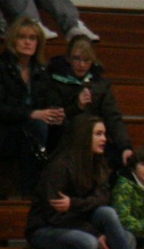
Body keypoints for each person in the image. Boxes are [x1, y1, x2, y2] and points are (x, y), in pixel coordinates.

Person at [26, 113, 144, 249]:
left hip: (79, 220)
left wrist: (73, 204)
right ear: (84, 136)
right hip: (46, 226)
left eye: (104, 134)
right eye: (98, 134)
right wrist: (94, 232)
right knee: (88, 243)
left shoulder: (99, 164)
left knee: (119, 226)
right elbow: (54, 215)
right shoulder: (59, 167)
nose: (104, 139)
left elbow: (103, 199)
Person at [0, 16, 61, 192]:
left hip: (29, 130)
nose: (27, 42)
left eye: (32, 38)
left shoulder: (40, 70)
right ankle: (30, 191)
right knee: (37, 127)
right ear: (13, 40)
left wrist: (56, 113)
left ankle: (60, 190)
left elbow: (51, 99)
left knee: (65, 127)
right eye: (22, 37)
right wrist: (31, 114)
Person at [44, 35, 132, 170]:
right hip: (64, 139)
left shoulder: (100, 84)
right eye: (77, 59)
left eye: (86, 60)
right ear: (68, 58)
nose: (82, 65)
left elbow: (113, 118)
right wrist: (77, 106)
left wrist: (125, 147)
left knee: (120, 159)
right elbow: (55, 119)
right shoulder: (54, 81)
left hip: (93, 139)